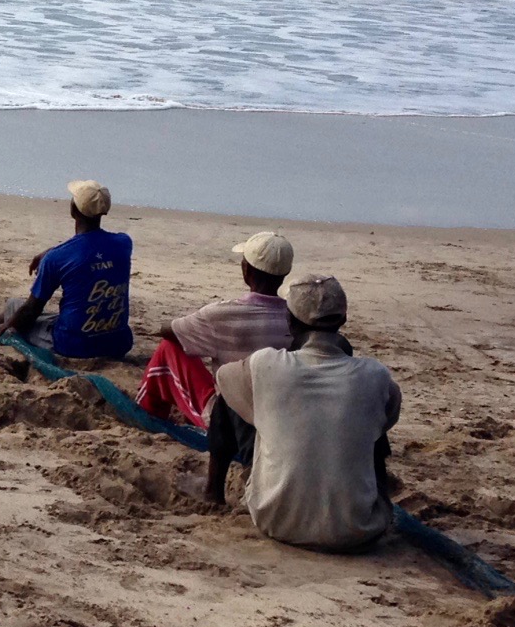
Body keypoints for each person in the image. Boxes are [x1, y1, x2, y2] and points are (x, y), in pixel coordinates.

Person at [204, 274, 401, 551]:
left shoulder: (266, 364)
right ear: (342, 321)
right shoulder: (375, 375)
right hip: (358, 529)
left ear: (290, 321)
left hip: (275, 520)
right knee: (371, 417)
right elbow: (389, 417)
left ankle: (213, 492)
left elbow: (224, 378)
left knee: (234, 394)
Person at [137, 232, 294, 427]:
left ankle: (147, 414)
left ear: (247, 271)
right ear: (284, 275)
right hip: (280, 418)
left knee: (169, 348)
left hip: (229, 422)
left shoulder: (223, 314)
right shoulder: (297, 317)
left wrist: (167, 326)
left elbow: (171, 330)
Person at [0, 180, 133, 361]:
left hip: (73, 344)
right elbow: (90, 249)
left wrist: (4, 328)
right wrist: (51, 252)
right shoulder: (124, 243)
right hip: (118, 343)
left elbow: (31, 310)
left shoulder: (57, 258)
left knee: (14, 306)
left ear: (73, 210)